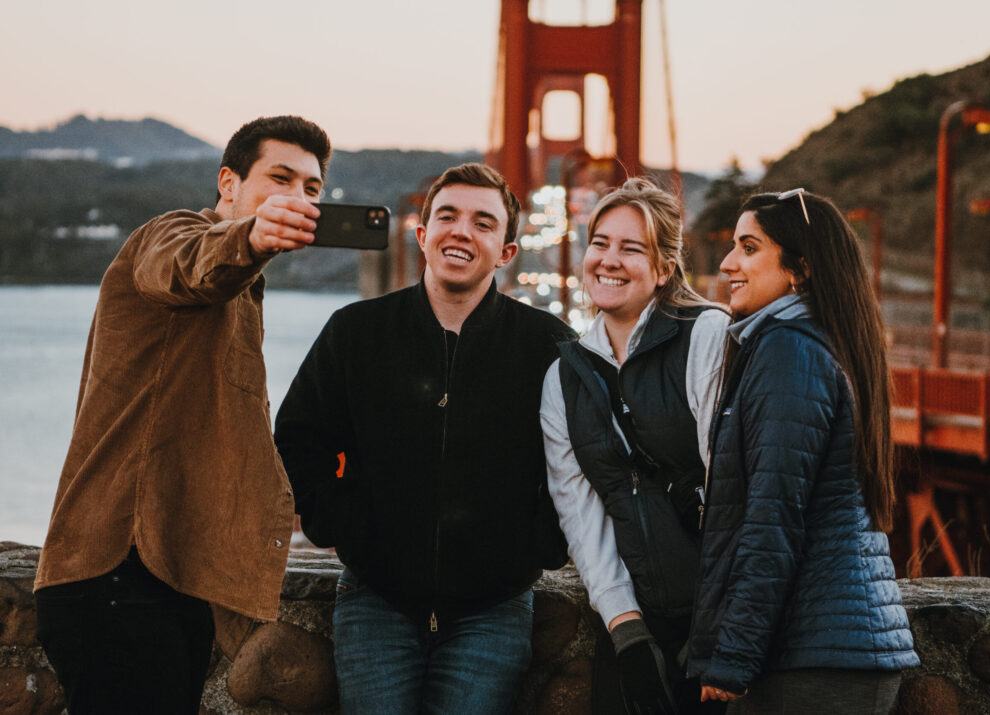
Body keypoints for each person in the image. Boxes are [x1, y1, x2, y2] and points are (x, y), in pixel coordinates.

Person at [33, 115, 332, 713]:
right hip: (118, 572)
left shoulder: (244, 290)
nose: (297, 198)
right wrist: (248, 239)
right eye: (280, 178)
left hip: (167, 577)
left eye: (311, 188)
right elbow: (188, 265)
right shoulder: (170, 236)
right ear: (228, 183)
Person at [274, 162, 577, 714]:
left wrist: (540, 545)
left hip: (494, 610)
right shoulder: (355, 332)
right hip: (375, 602)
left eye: (484, 223)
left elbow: (579, 462)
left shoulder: (548, 345)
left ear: (507, 251)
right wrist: (342, 526)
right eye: (448, 216)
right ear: (423, 234)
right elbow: (298, 439)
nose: (462, 231)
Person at [687, 189, 919, 713]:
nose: (727, 264)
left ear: (800, 268)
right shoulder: (819, 342)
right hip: (835, 650)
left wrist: (733, 657)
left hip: (813, 662)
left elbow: (772, 519)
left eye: (748, 248)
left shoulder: (788, 349)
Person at [540, 177, 730, 714]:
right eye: (600, 243)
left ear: (664, 269)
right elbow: (580, 511)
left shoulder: (705, 335)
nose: (609, 260)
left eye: (631, 248)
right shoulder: (564, 377)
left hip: (722, 623)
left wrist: (719, 625)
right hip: (636, 625)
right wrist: (626, 629)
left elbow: (732, 484)